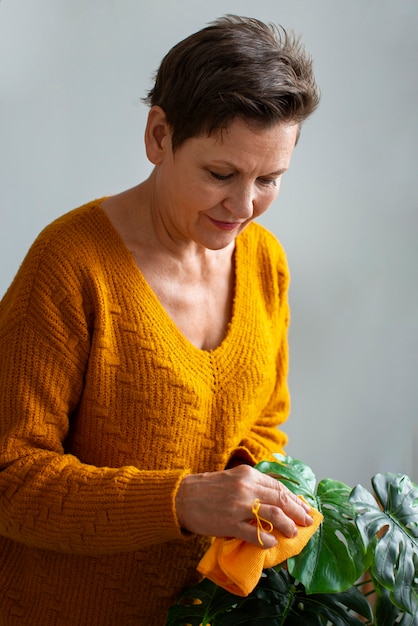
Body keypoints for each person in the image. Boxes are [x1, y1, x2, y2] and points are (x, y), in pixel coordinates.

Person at [0, 14, 320, 626]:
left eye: (270, 180)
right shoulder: (69, 266)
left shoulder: (264, 262)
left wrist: (250, 486)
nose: (245, 206)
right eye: (220, 174)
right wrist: (181, 501)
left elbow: (265, 422)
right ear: (158, 136)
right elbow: (10, 478)